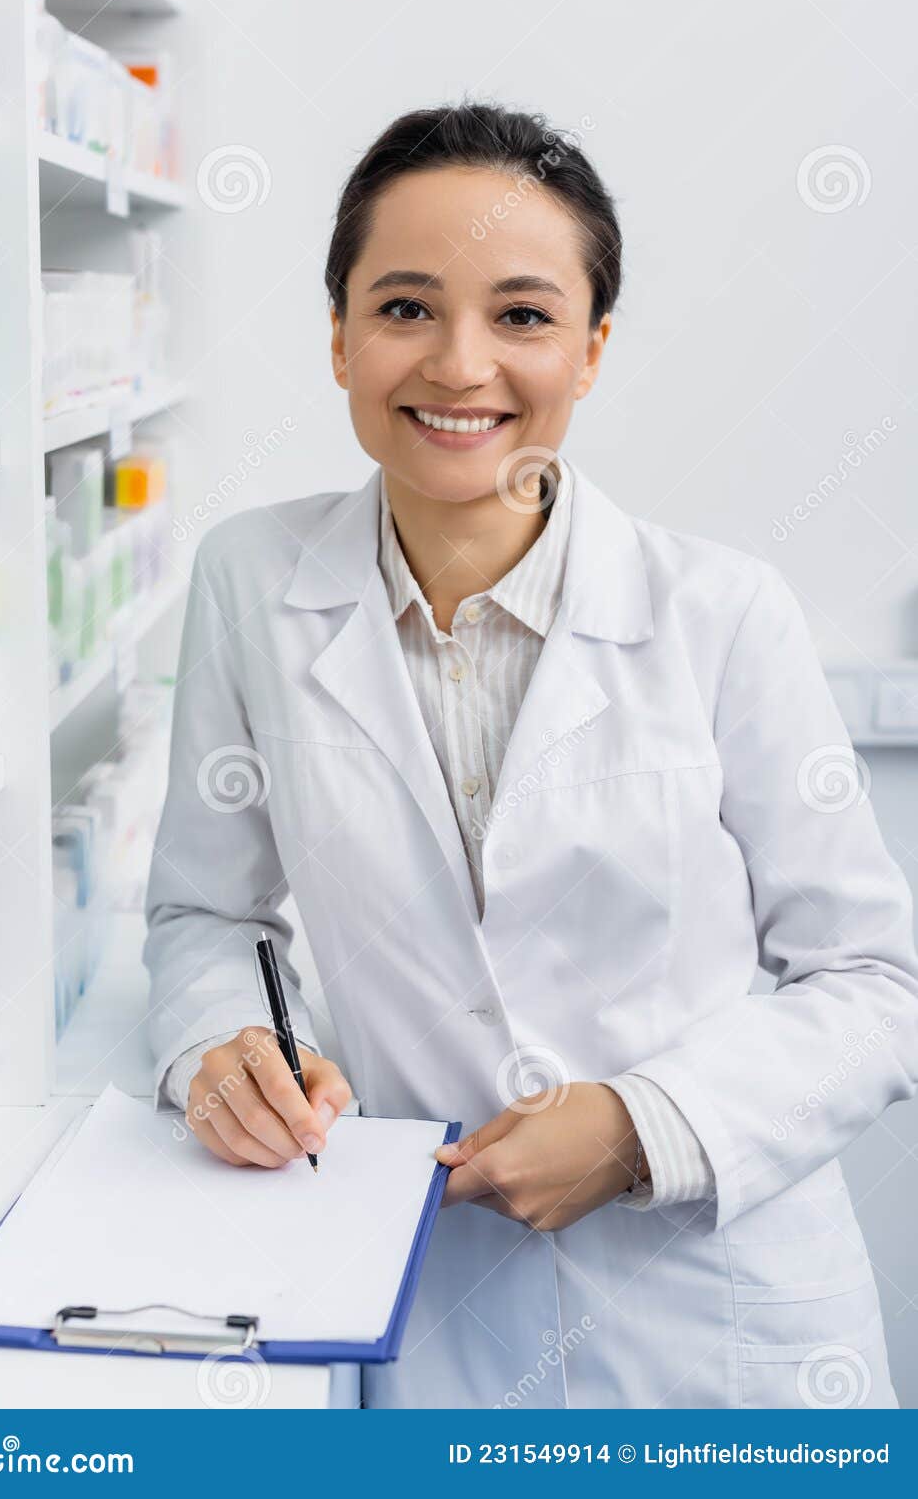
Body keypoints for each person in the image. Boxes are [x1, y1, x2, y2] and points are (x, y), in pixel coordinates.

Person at [144, 102, 918, 1409]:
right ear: (337, 338)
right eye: (403, 307)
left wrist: (637, 1130)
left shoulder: (724, 610)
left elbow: (877, 980)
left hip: (718, 1327)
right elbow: (206, 908)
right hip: (431, 1305)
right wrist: (222, 1048)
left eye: (521, 314)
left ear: (592, 349)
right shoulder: (250, 579)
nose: (459, 365)